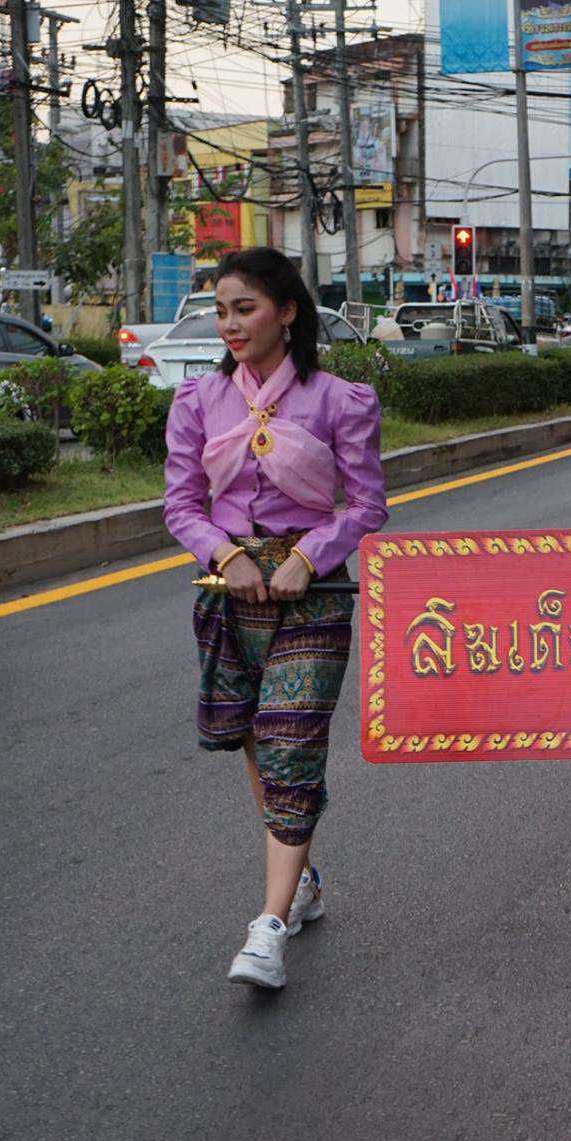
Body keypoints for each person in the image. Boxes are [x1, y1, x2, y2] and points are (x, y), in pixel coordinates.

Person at [162, 247, 387, 991]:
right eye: (221, 311)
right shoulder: (197, 401)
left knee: (292, 743)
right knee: (259, 744)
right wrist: (228, 556)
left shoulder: (339, 400)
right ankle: (302, 881)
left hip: (312, 597)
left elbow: (367, 504)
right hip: (227, 595)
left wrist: (310, 557)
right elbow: (180, 506)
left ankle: (267, 927)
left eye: (245, 309)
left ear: (286, 312)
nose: (230, 325)